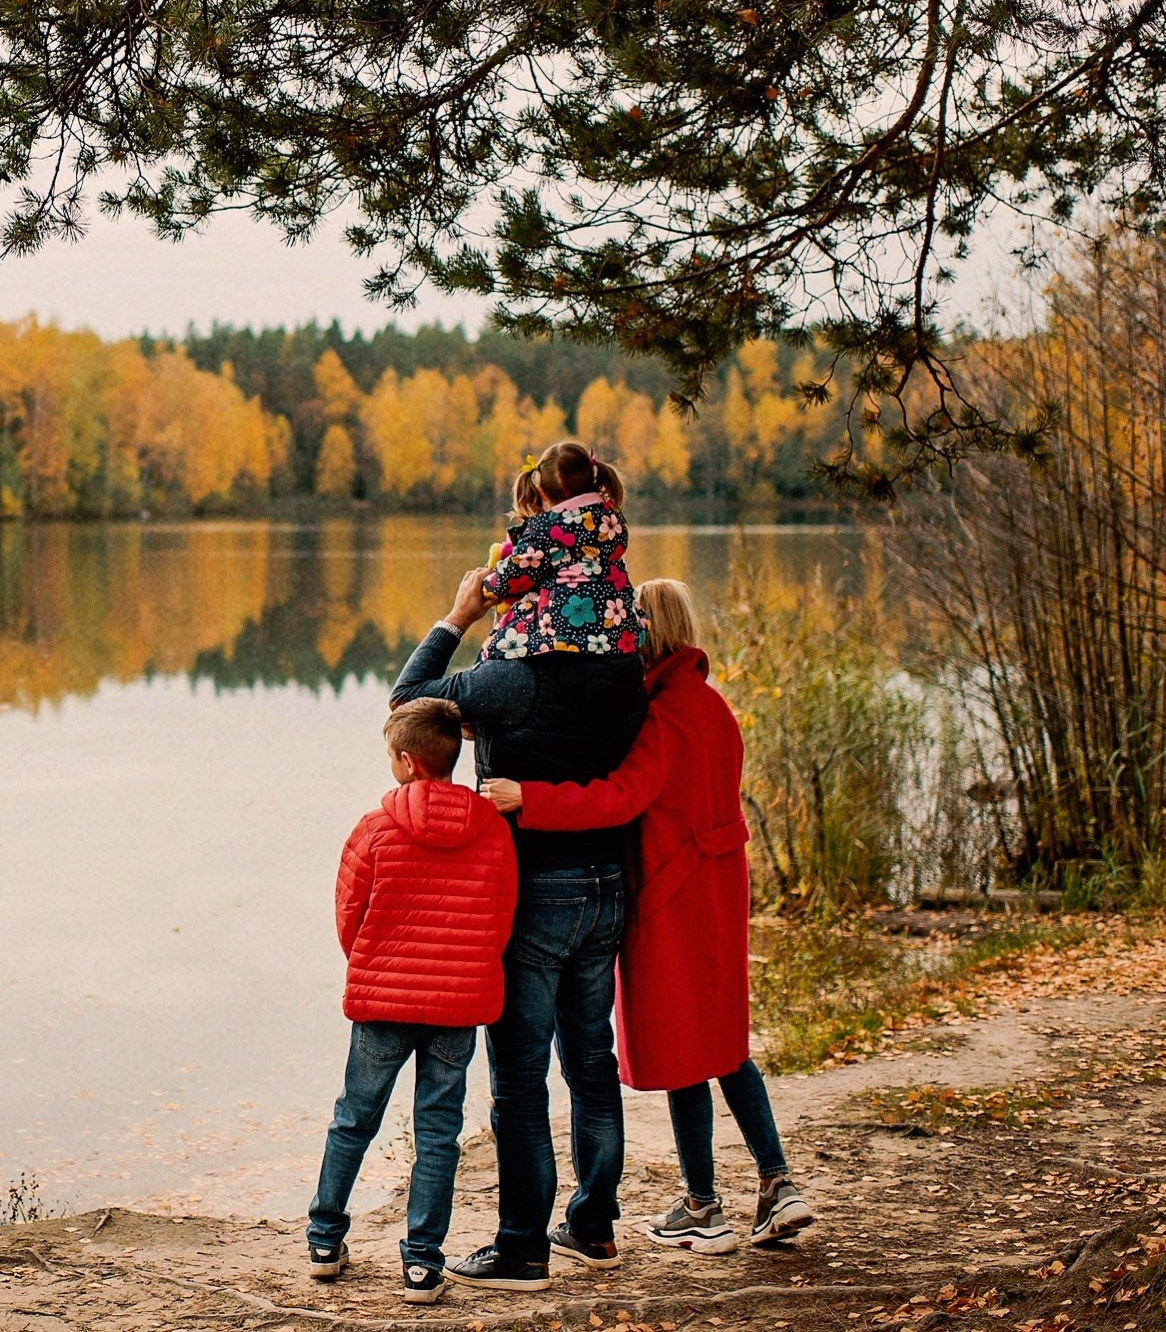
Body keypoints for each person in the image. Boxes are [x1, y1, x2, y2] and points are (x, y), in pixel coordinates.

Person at [483, 578, 815, 1252]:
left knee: (683, 1049)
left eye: (628, 629)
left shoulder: (662, 718)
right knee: (724, 1044)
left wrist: (530, 799)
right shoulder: (714, 706)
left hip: (672, 895)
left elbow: (619, 797)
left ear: (647, 635)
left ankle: (702, 1206)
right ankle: (778, 1182)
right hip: (722, 891)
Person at [389, 440, 650, 1292]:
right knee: (591, 1063)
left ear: (527, 575)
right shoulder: (623, 656)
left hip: (536, 889)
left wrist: (456, 617)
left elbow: (407, 708)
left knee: (520, 1082)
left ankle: (522, 1248)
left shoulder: (510, 673)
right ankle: (596, 1227)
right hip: (608, 885)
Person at [308, 696, 519, 1304]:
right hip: (456, 1007)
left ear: (405, 762)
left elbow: (349, 913)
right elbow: (500, 920)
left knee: (354, 1119)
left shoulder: (375, 828)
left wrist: (375, 965)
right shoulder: (493, 831)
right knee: (438, 1133)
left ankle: (325, 1240)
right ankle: (423, 1264)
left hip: (383, 1002)